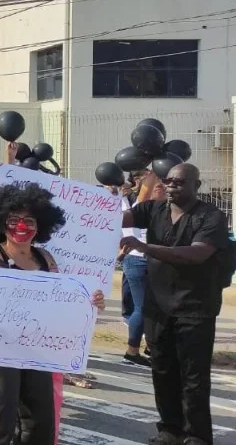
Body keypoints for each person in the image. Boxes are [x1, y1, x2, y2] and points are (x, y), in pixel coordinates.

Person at [0, 183, 104, 445]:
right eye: (13, 220)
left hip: (38, 350)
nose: (21, 226)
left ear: (40, 224)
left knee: (41, 418)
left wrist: (90, 301)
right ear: (1, 223)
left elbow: (62, 298)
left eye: (28, 220)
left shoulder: (45, 258)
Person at [120, 163, 230, 445]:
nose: (171, 186)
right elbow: (116, 218)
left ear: (197, 185)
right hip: (158, 307)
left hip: (195, 308)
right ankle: (169, 430)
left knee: (193, 376)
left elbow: (196, 255)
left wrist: (145, 247)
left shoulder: (211, 217)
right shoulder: (153, 209)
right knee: (162, 370)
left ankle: (197, 435)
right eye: (168, 181)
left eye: (179, 183)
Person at [118, 174, 161, 367]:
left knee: (157, 307)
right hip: (136, 260)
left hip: (156, 261)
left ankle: (152, 347)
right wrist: (154, 172)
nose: (161, 188)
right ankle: (132, 351)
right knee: (142, 307)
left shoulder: (163, 208)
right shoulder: (137, 208)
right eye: (157, 185)